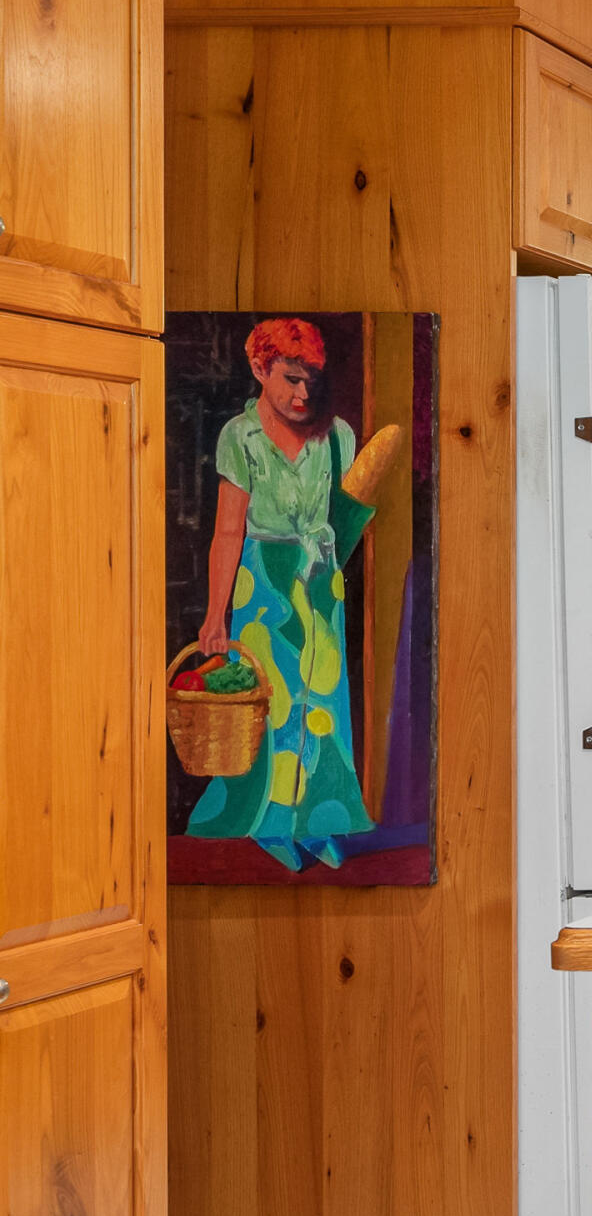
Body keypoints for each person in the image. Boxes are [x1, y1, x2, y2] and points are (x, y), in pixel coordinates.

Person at [189, 317, 398, 870]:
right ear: (260, 369)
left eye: (311, 380)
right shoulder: (241, 436)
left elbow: (343, 518)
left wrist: (329, 568)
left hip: (319, 580)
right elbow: (228, 531)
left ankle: (317, 819)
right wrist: (215, 617)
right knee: (274, 704)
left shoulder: (338, 436)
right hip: (262, 583)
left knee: (321, 704)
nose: (303, 393)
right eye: (290, 379)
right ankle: (271, 824)